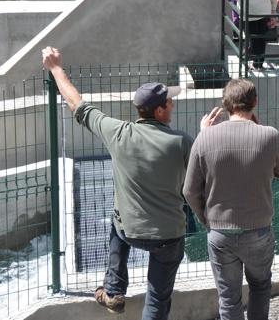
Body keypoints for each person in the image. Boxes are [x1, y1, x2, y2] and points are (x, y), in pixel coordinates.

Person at [41, 47, 193, 320]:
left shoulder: (117, 132)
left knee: (117, 219)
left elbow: (78, 105)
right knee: (157, 300)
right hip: (169, 236)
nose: (173, 104)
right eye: (169, 101)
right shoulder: (181, 141)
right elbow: (199, 177)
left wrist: (55, 68)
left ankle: (113, 291)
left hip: (129, 231)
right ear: (159, 110)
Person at [183, 79, 279, 320]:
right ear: (255, 102)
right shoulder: (269, 136)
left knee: (228, 297)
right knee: (260, 286)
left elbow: (189, 191)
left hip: (219, 232)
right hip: (258, 230)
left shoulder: (204, 138)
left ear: (226, 105)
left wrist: (206, 219)